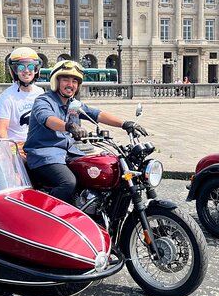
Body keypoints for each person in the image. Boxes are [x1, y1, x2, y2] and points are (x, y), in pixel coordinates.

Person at [24, 60, 147, 204]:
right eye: (66, 80)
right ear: (56, 81)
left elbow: (97, 114)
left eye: (75, 81)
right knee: (68, 183)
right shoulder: (44, 101)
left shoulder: (73, 104)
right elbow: (47, 119)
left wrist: (124, 124)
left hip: (68, 153)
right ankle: (49, 216)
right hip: (43, 155)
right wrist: (69, 126)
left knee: (100, 172)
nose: (70, 85)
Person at [0, 47, 44, 156]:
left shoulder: (40, 92)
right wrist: (10, 153)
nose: (26, 71)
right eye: (21, 67)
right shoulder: (7, 97)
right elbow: (1, 130)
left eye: (30, 66)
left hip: (37, 144)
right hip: (15, 145)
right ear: (14, 71)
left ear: (36, 69)